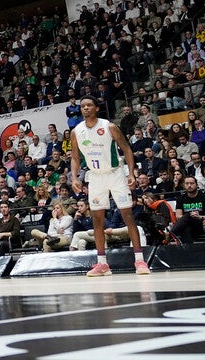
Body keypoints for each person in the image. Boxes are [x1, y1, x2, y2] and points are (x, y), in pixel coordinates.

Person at [69, 97, 148, 276]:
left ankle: (140, 261)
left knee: (127, 216)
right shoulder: (77, 131)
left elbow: (126, 149)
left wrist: (131, 173)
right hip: (95, 177)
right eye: (82, 106)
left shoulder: (109, 126)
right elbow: (75, 157)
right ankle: (102, 264)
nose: (85, 108)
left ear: (96, 108)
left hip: (115, 174)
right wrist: (74, 177)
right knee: (97, 220)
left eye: (89, 105)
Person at [170, 175, 205, 244]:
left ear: (197, 185)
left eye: (192, 183)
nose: (189, 185)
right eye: (187, 183)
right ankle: (189, 250)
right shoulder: (181, 198)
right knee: (186, 227)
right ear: (184, 185)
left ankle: (171, 233)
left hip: (202, 224)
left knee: (188, 216)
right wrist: (190, 216)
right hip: (187, 225)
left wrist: (200, 217)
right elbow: (178, 216)